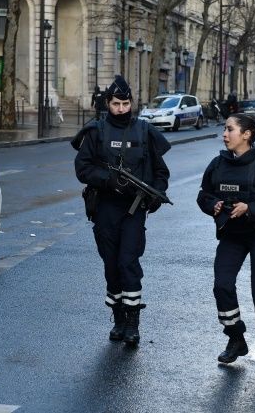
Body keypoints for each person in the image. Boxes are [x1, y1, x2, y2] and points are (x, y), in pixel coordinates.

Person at [72, 76, 171, 346]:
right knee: (112, 265)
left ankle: (132, 323)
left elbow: (161, 173)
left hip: (133, 209)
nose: (121, 108)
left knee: (129, 262)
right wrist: (107, 179)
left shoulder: (144, 131)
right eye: (116, 103)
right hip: (105, 207)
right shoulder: (96, 132)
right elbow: (83, 169)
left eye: (126, 103)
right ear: (108, 103)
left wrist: (155, 195)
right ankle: (117, 318)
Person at [196, 113, 255, 373]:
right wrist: (212, 205)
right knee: (222, 285)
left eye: (230, 130)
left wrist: (249, 208)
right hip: (232, 235)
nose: (224, 134)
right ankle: (236, 338)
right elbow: (203, 195)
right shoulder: (218, 163)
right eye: (225, 130)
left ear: (246, 134)